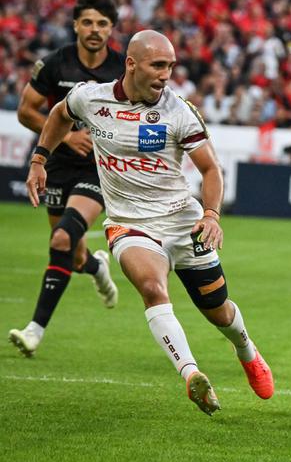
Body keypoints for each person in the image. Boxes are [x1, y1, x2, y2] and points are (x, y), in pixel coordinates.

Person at [25, 30, 273, 415]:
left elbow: (211, 169)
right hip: (130, 224)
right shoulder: (91, 97)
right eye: (158, 65)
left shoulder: (179, 111)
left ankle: (246, 350)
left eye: (170, 66)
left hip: (183, 222)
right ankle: (191, 374)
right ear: (131, 64)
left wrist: (211, 214)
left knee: (218, 310)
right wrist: (40, 159)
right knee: (153, 288)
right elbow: (59, 114)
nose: (165, 74)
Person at [9, 0, 122, 357]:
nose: (94, 29)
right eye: (87, 22)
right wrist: (67, 137)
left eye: (102, 23)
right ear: (75, 25)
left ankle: (34, 330)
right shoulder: (55, 64)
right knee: (72, 253)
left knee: (61, 239)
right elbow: (26, 111)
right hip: (58, 166)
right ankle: (96, 267)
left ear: (111, 29)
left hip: (100, 169)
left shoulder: (123, 69)